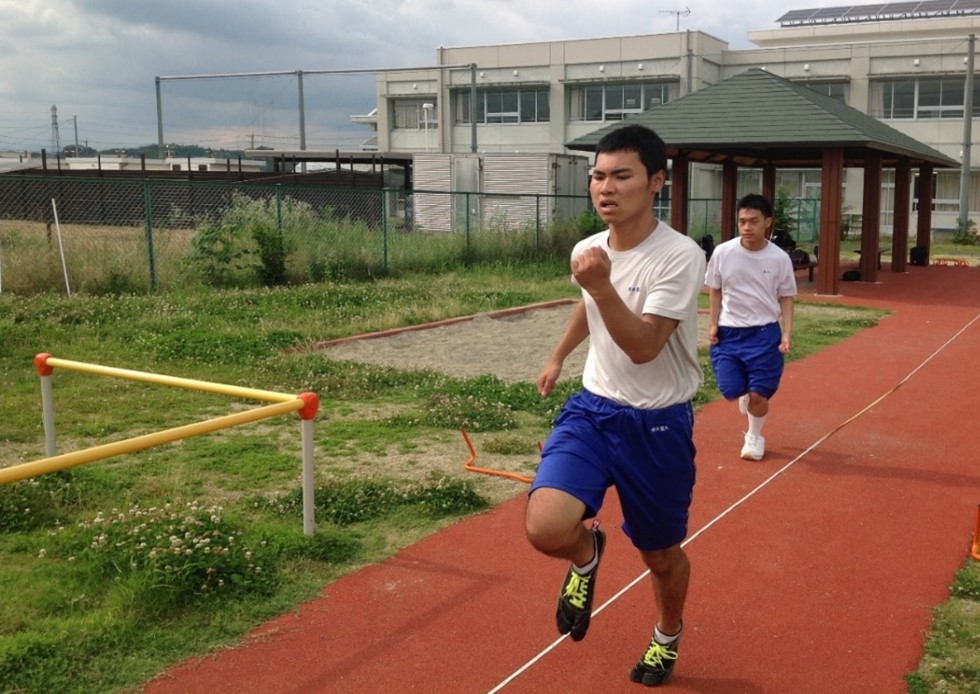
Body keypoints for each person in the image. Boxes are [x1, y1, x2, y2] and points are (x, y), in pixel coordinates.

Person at [525, 124, 705, 687]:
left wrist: (602, 287)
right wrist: (558, 356)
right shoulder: (589, 250)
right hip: (594, 409)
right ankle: (586, 553)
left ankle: (667, 634)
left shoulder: (679, 256)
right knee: (546, 528)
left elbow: (646, 346)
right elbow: (590, 306)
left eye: (621, 176)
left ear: (655, 182)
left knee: (660, 556)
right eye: (598, 176)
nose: (605, 187)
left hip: (657, 425)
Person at [703, 193, 796, 461]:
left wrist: (787, 332)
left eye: (753, 221)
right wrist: (712, 324)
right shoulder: (723, 252)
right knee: (732, 390)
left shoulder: (779, 259)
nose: (746, 227)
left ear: (767, 222)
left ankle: (754, 436)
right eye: (742, 221)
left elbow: (787, 296)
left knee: (759, 394)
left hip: (765, 334)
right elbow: (715, 290)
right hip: (729, 333)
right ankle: (746, 395)